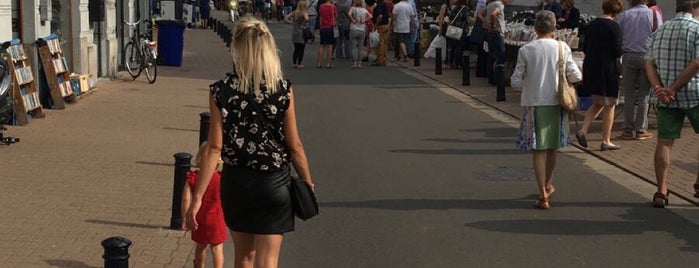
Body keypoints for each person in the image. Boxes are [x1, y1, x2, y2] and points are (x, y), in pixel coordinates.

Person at [186, 17, 315, 268]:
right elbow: (295, 146)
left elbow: (214, 148)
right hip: (274, 183)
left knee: (243, 258)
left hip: (237, 184)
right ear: (268, 50)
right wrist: (307, 181)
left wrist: (198, 196)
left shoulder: (220, 91)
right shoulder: (283, 90)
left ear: (237, 49)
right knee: (268, 262)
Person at [511, 10, 582, 209]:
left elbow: (516, 81)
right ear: (554, 27)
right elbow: (575, 75)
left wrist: (530, 84)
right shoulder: (562, 47)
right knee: (553, 148)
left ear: (535, 27)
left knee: (538, 149)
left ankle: (543, 192)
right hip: (557, 103)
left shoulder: (526, 50)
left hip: (534, 103)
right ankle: (548, 184)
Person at [644, 0, 699, 207]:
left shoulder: (661, 30)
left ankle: (661, 190)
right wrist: (675, 87)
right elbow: (697, 62)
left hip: (665, 97)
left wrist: (659, 88)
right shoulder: (697, 29)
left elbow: (648, 61)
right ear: (695, 6)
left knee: (664, 141)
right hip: (694, 92)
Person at [575, 0, 624, 151]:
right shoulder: (615, 27)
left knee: (598, 102)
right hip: (607, 69)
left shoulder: (591, 24)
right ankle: (606, 140)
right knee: (610, 104)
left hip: (592, 67)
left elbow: (584, 45)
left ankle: (583, 130)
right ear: (617, 12)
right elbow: (617, 51)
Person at [181, 142, 227, 268]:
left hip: (198, 218)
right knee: (217, 248)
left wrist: (185, 217)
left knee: (200, 245)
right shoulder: (220, 178)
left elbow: (185, 199)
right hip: (217, 219)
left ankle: (199, 265)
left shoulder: (193, 177)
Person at [617, 0, 655, 141]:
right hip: (646, 56)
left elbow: (619, 35)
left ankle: (627, 129)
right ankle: (640, 129)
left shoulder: (625, 15)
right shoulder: (653, 14)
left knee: (629, 94)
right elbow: (658, 34)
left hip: (628, 54)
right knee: (644, 94)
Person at [484, 0, 509, 91]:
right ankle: (498, 78)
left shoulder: (490, 4)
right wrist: (493, 24)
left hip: (490, 33)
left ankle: (491, 78)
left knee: (491, 55)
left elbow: (480, 13)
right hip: (497, 33)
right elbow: (493, 14)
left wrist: (486, 24)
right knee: (501, 55)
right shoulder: (500, 5)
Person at [348, 0, 373, 68]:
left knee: (353, 47)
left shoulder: (353, 8)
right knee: (361, 47)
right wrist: (364, 21)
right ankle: (359, 62)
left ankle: (354, 62)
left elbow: (349, 14)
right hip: (362, 29)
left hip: (353, 29)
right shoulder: (364, 10)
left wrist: (353, 20)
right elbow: (370, 16)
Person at [286, 0, 310, 68]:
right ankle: (299, 63)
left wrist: (291, 22)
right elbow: (307, 19)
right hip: (301, 32)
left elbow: (286, 18)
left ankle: (294, 63)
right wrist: (302, 24)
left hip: (295, 32)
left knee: (296, 49)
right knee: (301, 49)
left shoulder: (294, 12)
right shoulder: (304, 13)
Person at [317, 0, 338, 68]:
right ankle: (328, 63)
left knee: (321, 45)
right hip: (331, 26)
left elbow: (320, 15)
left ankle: (319, 63)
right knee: (330, 45)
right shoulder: (333, 7)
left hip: (323, 26)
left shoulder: (321, 6)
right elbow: (336, 16)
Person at [371, 0, 390, 66]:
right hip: (386, 25)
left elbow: (380, 16)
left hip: (381, 26)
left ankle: (380, 60)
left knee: (380, 43)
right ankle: (384, 59)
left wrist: (375, 25)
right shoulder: (384, 4)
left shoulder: (379, 4)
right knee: (384, 43)